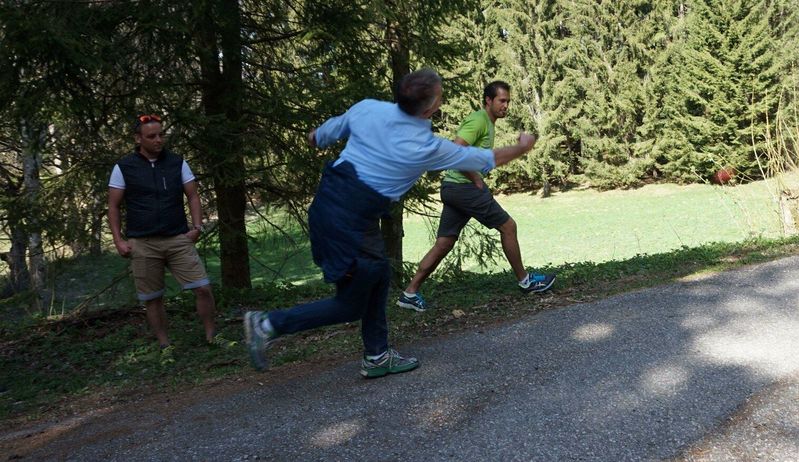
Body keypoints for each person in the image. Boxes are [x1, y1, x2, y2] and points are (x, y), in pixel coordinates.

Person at [243, 69, 537, 377]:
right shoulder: (424, 147)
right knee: (350, 304)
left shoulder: (368, 108)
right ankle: (267, 323)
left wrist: (317, 136)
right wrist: (522, 147)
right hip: (348, 222)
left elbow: (321, 135)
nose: (442, 102)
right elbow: (483, 159)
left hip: (332, 204)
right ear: (429, 108)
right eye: (440, 97)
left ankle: (378, 355)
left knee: (379, 273)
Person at [397, 81, 555, 313]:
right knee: (508, 227)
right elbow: (455, 149)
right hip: (463, 189)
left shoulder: (488, 124)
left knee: (444, 243)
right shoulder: (479, 120)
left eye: (508, 101)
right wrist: (476, 179)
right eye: (502, 101)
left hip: (453, 188)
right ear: (488, 101)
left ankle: (409, 293)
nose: (506, 106)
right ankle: (525, 281)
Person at [107, 114, 218, 352]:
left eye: (161, 135)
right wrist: (118, 240)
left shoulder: (177, 162)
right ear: (139, 139)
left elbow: (193, 195)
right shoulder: (124, 167)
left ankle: (212, 337)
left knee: (202, 288)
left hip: (177, 238)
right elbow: (113, 206)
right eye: (152, 136)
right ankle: (165, 345)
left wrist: (197, 227)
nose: (158, 140)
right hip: (143, 243)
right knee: (153, 298)